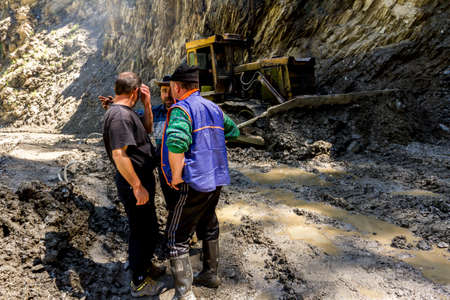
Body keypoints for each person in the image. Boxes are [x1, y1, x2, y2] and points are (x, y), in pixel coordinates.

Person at [160, 63, 240, 300]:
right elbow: (233, 131)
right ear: (196, 86)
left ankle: (184, 294)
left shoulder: (181, 109)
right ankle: (211, 274)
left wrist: (176, 176)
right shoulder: (214, 108)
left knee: (176, 237)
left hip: (194, 182)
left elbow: (175, 143)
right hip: (216, 180)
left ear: (176, 87)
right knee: (208, 222)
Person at [102, 72, 164, 297]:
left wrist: (147, 104)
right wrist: (137, 186)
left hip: (139, 179)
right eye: (141, 94)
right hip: (133, 183)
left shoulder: (124, 112)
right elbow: (119, 155)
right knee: (141, 231)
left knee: (148, 228)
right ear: (135, 92)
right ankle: (139, 281)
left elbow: (146, 129)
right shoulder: (119, 116)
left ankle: (145, 266)